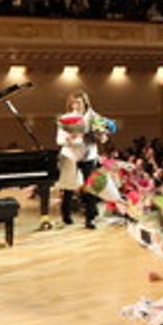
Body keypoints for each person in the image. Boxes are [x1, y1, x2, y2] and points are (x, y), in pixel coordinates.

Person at [53, 90, 100, 229]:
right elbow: (59, 140)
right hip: (70, 155)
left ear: (85, 103)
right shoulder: (65, 118)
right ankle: (66, 216)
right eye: (74, 103)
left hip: (88, 155)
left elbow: (101, 137)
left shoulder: (94, 117)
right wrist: (69, 139)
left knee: (90, 188)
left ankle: (90, 219)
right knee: (68, 187)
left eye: (79, 102)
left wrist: (101, 136)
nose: (76, 105)